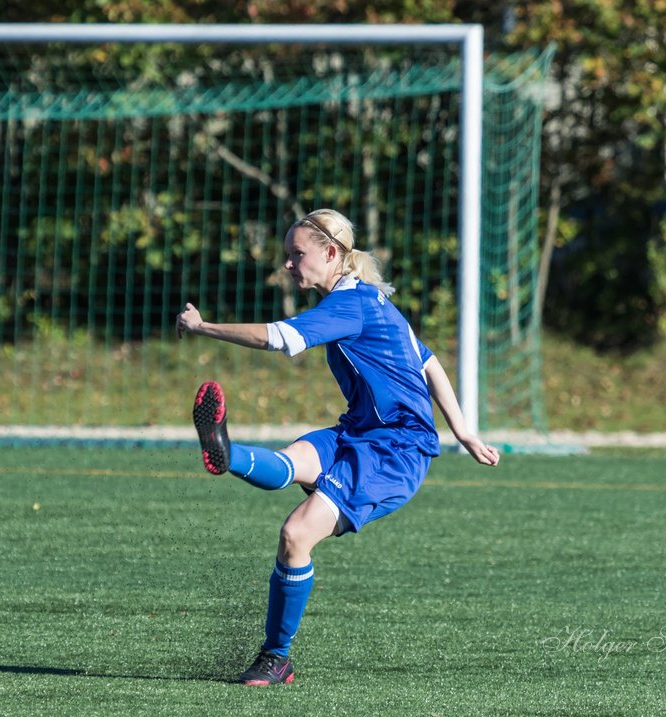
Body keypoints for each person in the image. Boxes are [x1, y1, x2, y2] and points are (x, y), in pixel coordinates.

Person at [175, 208, 500, 685]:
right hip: (357, 431)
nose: (288, 264)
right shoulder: (367, 300)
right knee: (289, 464)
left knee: (296, 535)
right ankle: (225, 452)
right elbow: (428, 361)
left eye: (296, 254)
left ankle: (276, 656)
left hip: (395, 452)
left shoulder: (353, 306)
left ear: (331, 253)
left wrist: (204, 328)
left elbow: (280, 339)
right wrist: (463, 430)